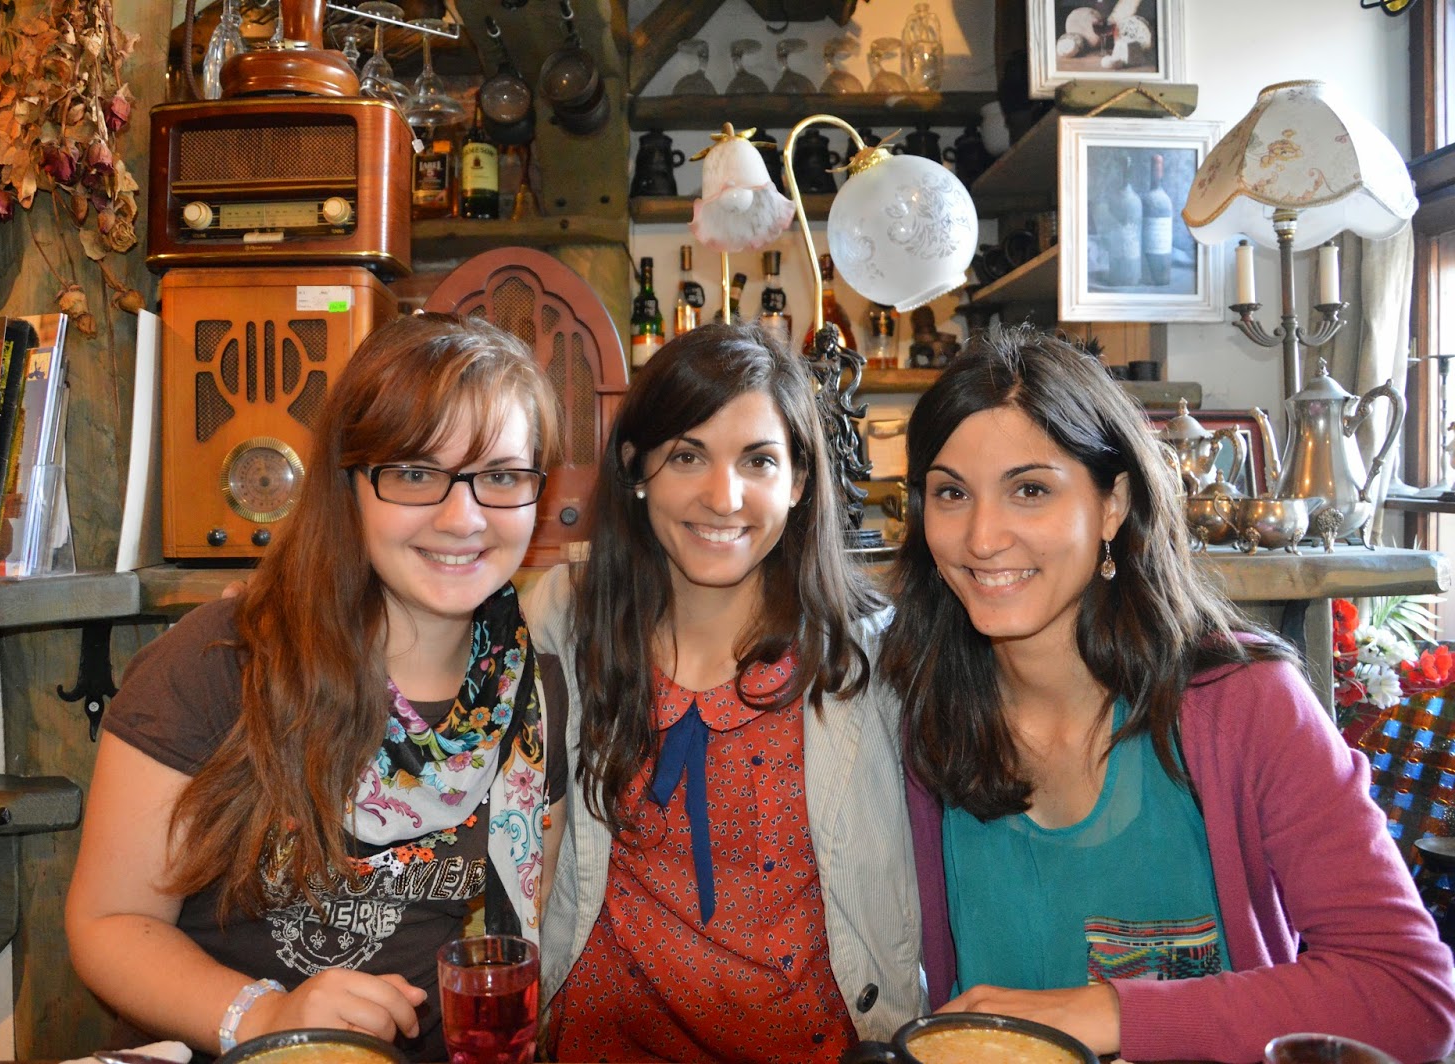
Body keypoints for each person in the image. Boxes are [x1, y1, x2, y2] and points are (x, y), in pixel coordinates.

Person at [880, 326, 1455, 1064]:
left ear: (1112, 505)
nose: (983, 537)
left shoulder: (1244, 704)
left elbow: (1410, 995)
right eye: (952, 493)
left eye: (1030, 490)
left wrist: (1105, 1012)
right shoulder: (916, 713)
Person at [65, 314, 566, 1062]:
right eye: (415, 473)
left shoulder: (536, 698)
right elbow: (108, 923)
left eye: (499, 476)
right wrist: (267, 1015)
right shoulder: (217, 664)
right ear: (348, 484)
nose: (462, 518)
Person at [524, 322, 923, 1062]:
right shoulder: (568, 619)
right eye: (687, 456)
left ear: (798, 483)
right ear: (636, 469)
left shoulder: (870, 657)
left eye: (758, 460)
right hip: (601, 1044)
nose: (723, 496)